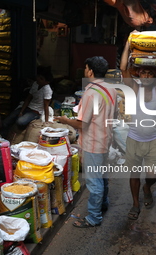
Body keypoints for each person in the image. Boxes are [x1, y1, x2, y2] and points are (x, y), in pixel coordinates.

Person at [55, 56, 118, 228]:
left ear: (90, 70)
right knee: (102, 177)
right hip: (105, 139)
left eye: (86, 68)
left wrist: (64, 120)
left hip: (93, 143)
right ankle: (103, 204)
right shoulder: (111, 89)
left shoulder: (91, 93)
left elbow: (82, 123)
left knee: (94, 181)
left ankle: (93, 218)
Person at [120, 37, 156, 220]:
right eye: (143, 73)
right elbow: (123, 68)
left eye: (149, 74)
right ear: (139, 75)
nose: (145, 77)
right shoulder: (134, 88)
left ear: (155, 76)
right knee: (134, 173)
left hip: (153, 140)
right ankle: (135, 204)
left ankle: (147, 187)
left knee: (152, 176)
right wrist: (128, 44)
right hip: (134, 139)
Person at [1, 65, 53, 138]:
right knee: (6, 122)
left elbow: (46, 106)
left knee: (20, 122)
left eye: (41, 79)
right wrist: (21, 111)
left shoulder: (47, 90)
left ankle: (33, 118)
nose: (38, 79)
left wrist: (46, 122)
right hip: (27, 108)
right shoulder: (35, 84)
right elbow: (28, 98)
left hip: (35, 112)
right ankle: (3, 137)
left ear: (46, 82)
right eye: (38, 77)